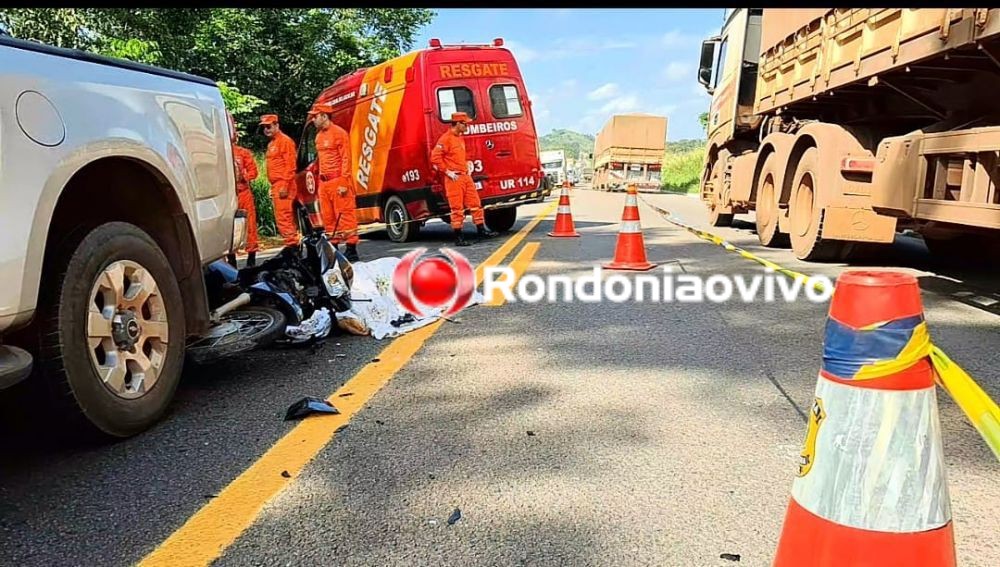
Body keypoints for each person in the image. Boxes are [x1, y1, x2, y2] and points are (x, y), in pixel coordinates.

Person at [430, 112, 497, 246]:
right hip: (454, 179)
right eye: (465, 124)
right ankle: (458, 237)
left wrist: (468, 164)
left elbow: (458, 156)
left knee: (475, 204)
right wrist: (447, 172)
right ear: (458, 124)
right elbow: (435, 158)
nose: (467, 126)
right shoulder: (446, 139)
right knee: (457, 209)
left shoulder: (459, 138)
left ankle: (481, 230)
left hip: (465, 176)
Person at [309, 103, 360, 261]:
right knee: (328, 217)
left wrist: (345, 182)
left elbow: (346, 158)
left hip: (338, 180)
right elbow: (320, 161)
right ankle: (334, 247)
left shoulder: (339, 134)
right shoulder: (318, 137)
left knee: (345, 215)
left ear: (324, 116)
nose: (313, 119)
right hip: (324, 183)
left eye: (315, 116)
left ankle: (351, 249)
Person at [260, 114, 300, 248]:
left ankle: (293, 247)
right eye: (264, 127)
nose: (266, 129)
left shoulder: (285, 141)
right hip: (277, 185)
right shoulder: (272, 143)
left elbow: (291, 165)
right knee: (282, 218)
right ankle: (292, 245)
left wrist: (285, 186)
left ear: (277, 125)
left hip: (284, 184)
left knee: (284, 218)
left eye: (269, 126)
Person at [226, 128, 261, 267]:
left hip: (243, 193)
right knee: (229, 226)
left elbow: (254, 172)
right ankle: (231, 258)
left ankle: (251, 257)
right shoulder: (222, 153)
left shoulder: (243, 153)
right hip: (229, 195)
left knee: (250, 225)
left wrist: (243, 175)